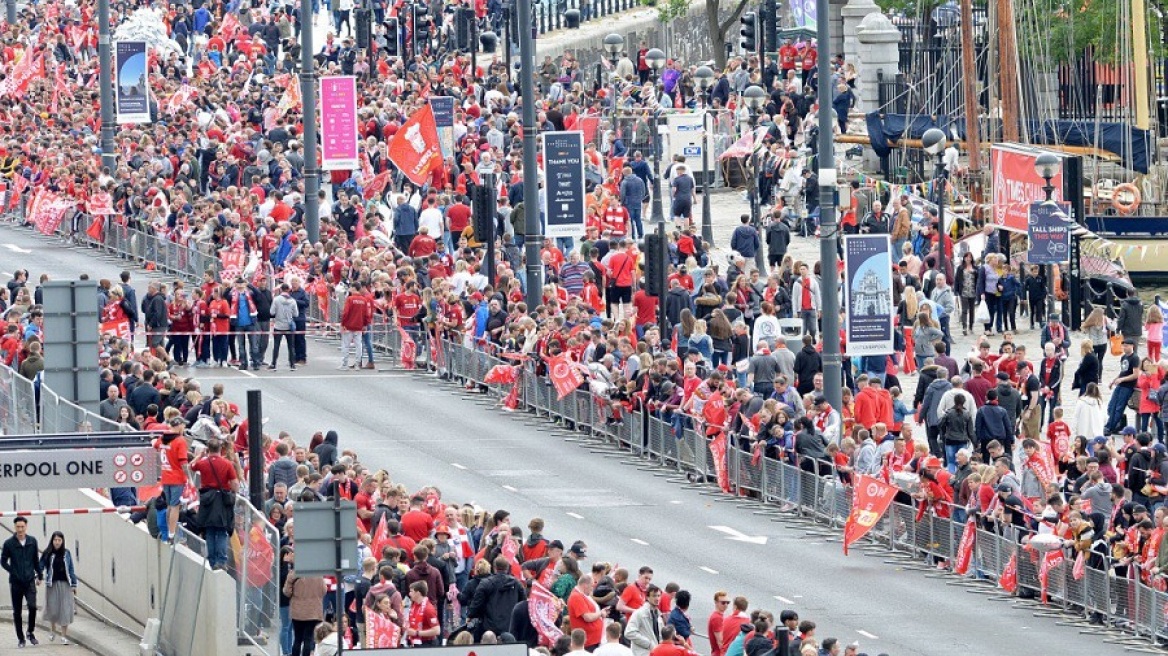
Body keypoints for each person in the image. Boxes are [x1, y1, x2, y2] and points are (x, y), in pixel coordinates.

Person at [1, 517, 42, 647]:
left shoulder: (32, 541)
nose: (20, 529)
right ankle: (21, 638)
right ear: (14, 527)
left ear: (26, 527)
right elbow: (3, 561)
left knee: (32, 606)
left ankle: (30, 632)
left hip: (30, 580)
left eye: (22, 527)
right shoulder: (9, 544)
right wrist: (12, 571)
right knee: (17, 611)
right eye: (18, 527)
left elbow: (36, 560)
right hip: (16, 582)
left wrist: (39, 575)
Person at [39, 531, 77, 644]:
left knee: (65, 609)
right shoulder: (48, 553)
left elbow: (71, 568)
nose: (57, 542)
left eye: (59, 540)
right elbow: (40, 565)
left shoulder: (67, 553)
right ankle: (53, 630)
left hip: (65, 584)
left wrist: (74, 584)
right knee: (53, 609)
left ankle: (64, 636)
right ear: (52, 541)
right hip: (52, 584)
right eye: (55, 540)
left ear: (62, 541)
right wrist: (38, 576)